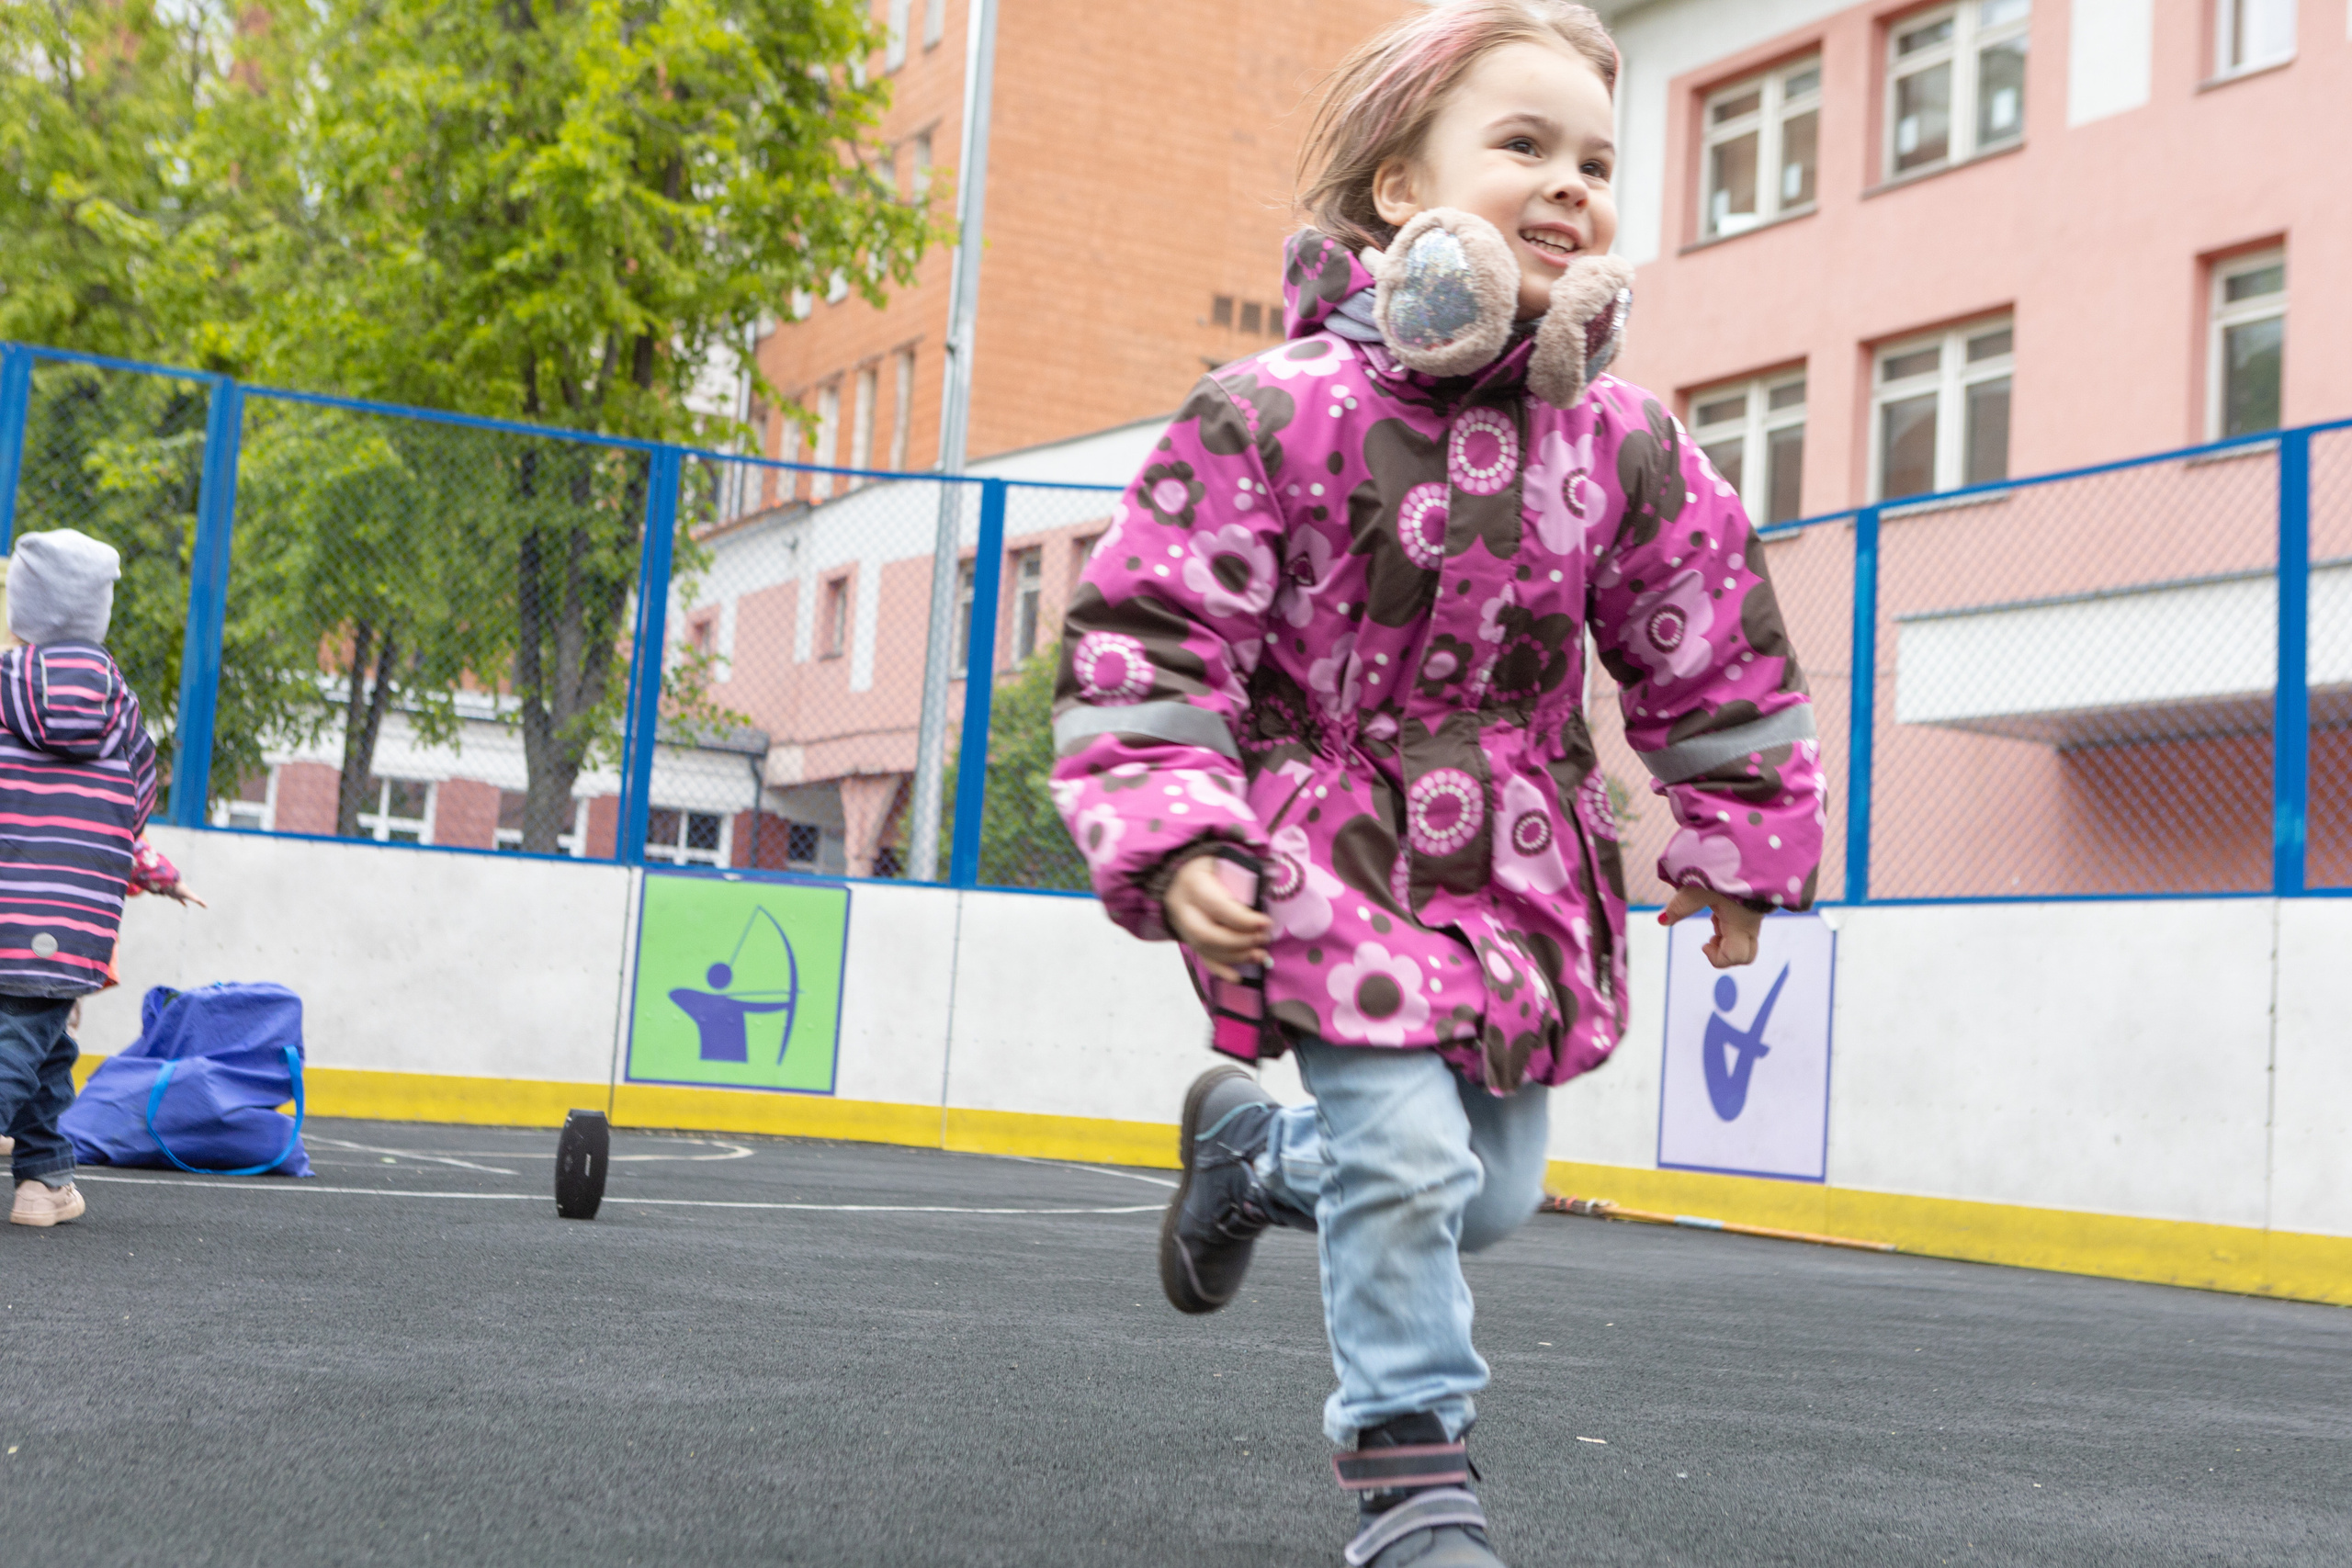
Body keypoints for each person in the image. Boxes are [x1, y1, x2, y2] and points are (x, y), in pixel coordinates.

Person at [1047, 5, 1826, 1562]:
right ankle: (1416, 1488)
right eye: (1524, 146)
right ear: (1401, 190)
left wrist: (1738, 839)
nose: (1570, 186)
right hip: (1328, 844)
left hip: (1524, 867)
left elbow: (1710, 638)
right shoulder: (1273, 411)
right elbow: (1154, 628)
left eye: (1597, 160)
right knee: (1408, 1161)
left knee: (1483, 1192)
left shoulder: (1620, 440)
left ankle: (1254, 1161)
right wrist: (1180, 824)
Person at [0, 530, 192, 1227]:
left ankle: (43, 1181)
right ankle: (41, 1179)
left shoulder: (0, 685)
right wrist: (156, 871)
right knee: (29, 1034)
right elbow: (132, 809)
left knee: (42, 1044)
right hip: (73, 920)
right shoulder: (122, 709)